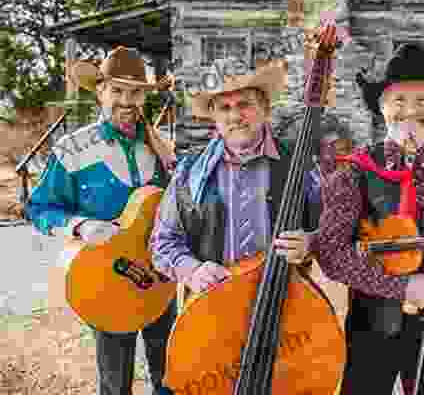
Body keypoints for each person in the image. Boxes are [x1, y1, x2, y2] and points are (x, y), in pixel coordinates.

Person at [308, 43, 424, 395]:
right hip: (371, 330)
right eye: (399, 100)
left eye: (422, 100)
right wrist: (402, 288)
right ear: (382, 107)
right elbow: (332, 255)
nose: (411, 110)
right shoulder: (355, 172)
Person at [147, 23, 337, 310]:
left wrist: (311, 242)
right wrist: (191, 270)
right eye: (225, 107)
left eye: (244, 104)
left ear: (264, 109)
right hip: (211, 307)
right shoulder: (189, 170)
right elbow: (163, 241)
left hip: (286, 307)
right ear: (213, 116)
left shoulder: (300, 165)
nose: (235, 115)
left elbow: (333, 230)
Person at [26, 46, 177, 395]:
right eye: (117, 90)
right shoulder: (72, 149)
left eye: (136, 92)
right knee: (115, 383)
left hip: (161, 278)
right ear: (100, 91)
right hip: (106, 282)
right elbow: (39, 208)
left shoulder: (160, 147)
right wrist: (79, 226)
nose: (127, 100)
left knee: (171, 373)